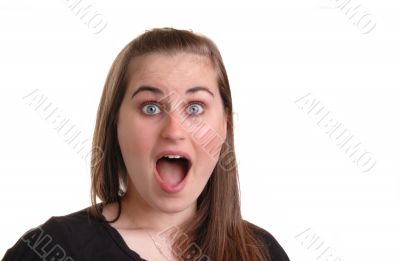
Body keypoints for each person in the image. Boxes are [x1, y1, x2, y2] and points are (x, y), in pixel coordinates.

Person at [3, 28, 290, 261]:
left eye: (195, 108)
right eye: (151, 108)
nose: (174, 131)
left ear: (225, 125)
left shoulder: (262, 252)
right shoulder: (49, 249)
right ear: (116, 123)